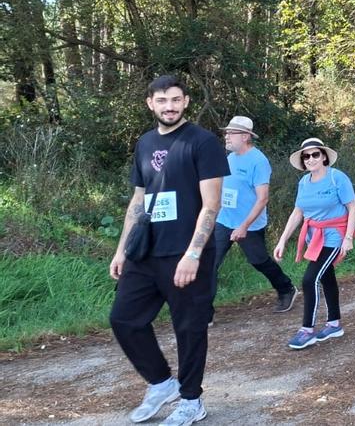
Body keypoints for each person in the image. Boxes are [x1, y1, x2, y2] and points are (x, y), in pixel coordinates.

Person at [109, 75, 229, 426]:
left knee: (189, 328)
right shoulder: (145, 143)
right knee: (124, 319)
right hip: (145, 252)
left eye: (176, 99)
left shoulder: (203, 142)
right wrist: (122, 251)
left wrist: (193, 254)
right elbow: (138, 200)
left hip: (185, 253)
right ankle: (162, 383)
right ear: (150, 104)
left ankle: (192, 400)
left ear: (186, 101)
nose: (169, 106)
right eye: (162, 101)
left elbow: (211, 205)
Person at [272, 138, 355, 349]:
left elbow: (353, 207)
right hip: (314, 237)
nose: (310, 159)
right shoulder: (303, 182)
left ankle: (307, 330)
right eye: (306, 156)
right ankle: (334, 324)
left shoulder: (337, 178)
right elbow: (298, 213)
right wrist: (282, 240)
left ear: (324, 156)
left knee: (309, 279)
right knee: (326, 276)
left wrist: (348, 238)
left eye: (315, 154)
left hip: (335, 235)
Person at [212, 116, 296, 320]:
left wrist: (244, 226)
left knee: (258, 261)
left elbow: (262, 199)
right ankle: (204, 311)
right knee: (210, 263)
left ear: (246, 136)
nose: (226, 136)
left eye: (231, 133)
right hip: (224, 220)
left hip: (249, 224)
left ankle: (286, 289)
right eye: (227, 132)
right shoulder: (229, 158)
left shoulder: (259, 161)